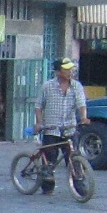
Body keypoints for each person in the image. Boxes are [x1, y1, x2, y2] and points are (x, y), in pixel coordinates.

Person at [33, 58, 88, 195]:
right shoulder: (47, 86)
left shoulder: (76, 86)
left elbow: (81, 104)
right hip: (51, 129)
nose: (70, 72)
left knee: (73, 158)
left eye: (71, 69)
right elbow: (38, 106)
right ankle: (47, 187)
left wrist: (83, 117)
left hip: (69, 128)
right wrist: (39, 123)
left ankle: (79, 185)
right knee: (49, 159)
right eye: (66, 70)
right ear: (58, 72)